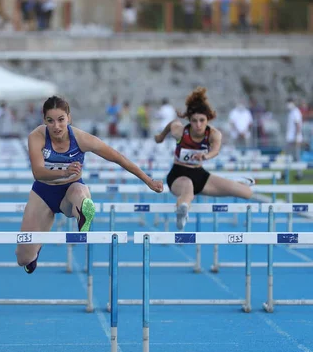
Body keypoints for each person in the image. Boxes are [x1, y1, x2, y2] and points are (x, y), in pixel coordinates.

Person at [16, 96, 164, 274]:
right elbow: (37, 172)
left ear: (69, 118)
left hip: (69, 192)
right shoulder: (37, 136)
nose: (56, 126)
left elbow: (119, 158)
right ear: (44, 120)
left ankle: (83, 216)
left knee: (80, 192)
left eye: (61, 120)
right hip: (42, 193)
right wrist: (64, 171)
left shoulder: (82, 139)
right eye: (51, 121)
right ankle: (35, 250)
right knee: (23, 258)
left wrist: (148, 180)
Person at [154, 87, 254, 231]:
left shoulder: (214, 134)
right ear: (189, 120)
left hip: (200, 175)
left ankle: (235, 183)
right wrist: (160, 137)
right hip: (178, 175)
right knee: (188, 188)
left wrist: (205, 156)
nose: (198, 125)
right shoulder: (181, 131)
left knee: (247, 193)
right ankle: (182, 212)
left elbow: (215, 150)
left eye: (202, 120)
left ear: (208, 119)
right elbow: (171, 124)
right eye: (194, 121)